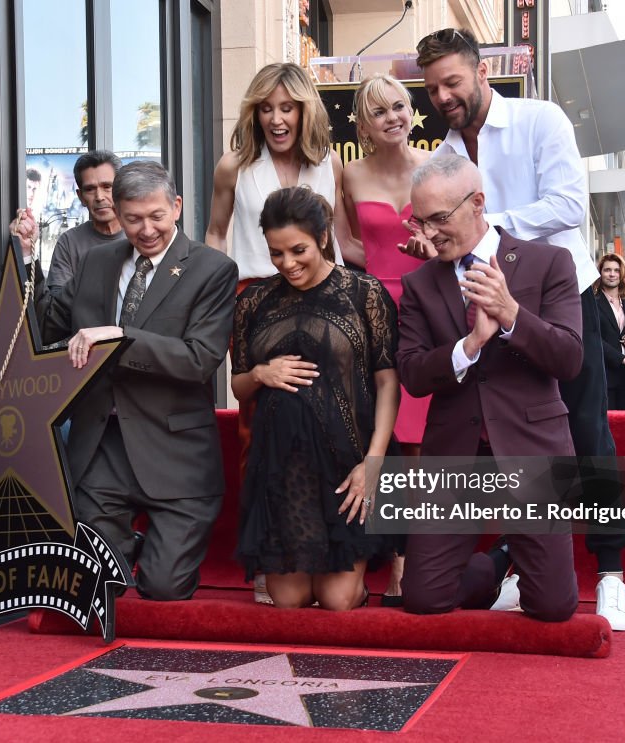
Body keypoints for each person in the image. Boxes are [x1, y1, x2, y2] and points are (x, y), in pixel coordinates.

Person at [407, 27, 625, 630]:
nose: (443, 96)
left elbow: (568, 207)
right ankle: (510, 558)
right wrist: (436, 240)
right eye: (432, 88)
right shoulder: (445, 152)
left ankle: (611, 573)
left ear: (482, 73)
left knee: (587, 433)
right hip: (473, 304)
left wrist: (485, 233)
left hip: (556, 291)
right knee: (494, 432)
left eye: (452, 81)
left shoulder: (540, 118)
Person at [17, 161, 238, 601]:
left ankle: (153, 554)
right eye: (133, 219)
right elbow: (46, 327)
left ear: (176, 207)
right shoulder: (95, 261)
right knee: (103, 584)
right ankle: (124, 548)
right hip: (103, 445)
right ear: (117, 213)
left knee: (163, 588)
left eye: (157, 216)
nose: (147, 229)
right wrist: (26, 257)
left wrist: (121, 336)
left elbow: (199, 359)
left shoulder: (212, 269)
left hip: (175, 453)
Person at [396, 155, 581, 622]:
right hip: (455, 451)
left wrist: (511, 313)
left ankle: (520, 560)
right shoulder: (419, 283)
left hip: (531, 448)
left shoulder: (549, 262)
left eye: (440, 218)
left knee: (554, 608)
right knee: (423, 599)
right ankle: (499, 562)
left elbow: (569, 358)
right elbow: (413, 375)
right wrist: (470, 344)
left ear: (477, 203)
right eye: (421, 220)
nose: (429, 232)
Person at [232, 186, 399, 611]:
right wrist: (259, 373)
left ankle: (358, 584)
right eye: (276, 253)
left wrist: (375, 460)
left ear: (323, 237)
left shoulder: (364, 293)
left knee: (338, 601)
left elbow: (387, 382)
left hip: (350, 464)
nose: (287, 264)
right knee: (289, 603)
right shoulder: (253, 300)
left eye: (298, 250)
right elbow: (238, 387)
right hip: (283, 469)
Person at [341, 73, 431, 605]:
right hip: (373, 308)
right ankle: (388, 558)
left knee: (419, 444)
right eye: (380, 111)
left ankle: (413, 561)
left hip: (426, 308)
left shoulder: (433, 167)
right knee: (382, 435)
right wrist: (376, 269)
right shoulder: (349, 173)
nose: (393, 117)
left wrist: (432, 251)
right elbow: (344, 239)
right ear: (363, 124)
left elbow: (455, 235)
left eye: (400, 106)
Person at [205, 62, 358, 281]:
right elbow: (216, 234)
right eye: (266, 109)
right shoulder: (233, 166)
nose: (276, 120)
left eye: (286, 109)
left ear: (304, 111)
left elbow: (344, 241)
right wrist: (217, 293)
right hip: (255, 295)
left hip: (325, 296)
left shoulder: (329, 162)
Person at [43, 150, 124, 297]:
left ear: (121, 189)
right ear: (81, 197)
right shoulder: (69, 243)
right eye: (90, 189)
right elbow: (58, 306)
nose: (99, 197)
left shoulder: (140, 236)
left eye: (107, 187)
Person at [594, 254, 625, 410]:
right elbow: (593, 339)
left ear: (621, 274)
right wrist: (623, 359)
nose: (612, 274)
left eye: (616, 270)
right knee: (607, 427)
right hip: (602, 375)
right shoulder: (591, 303)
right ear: (600, 273)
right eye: (607, 270)